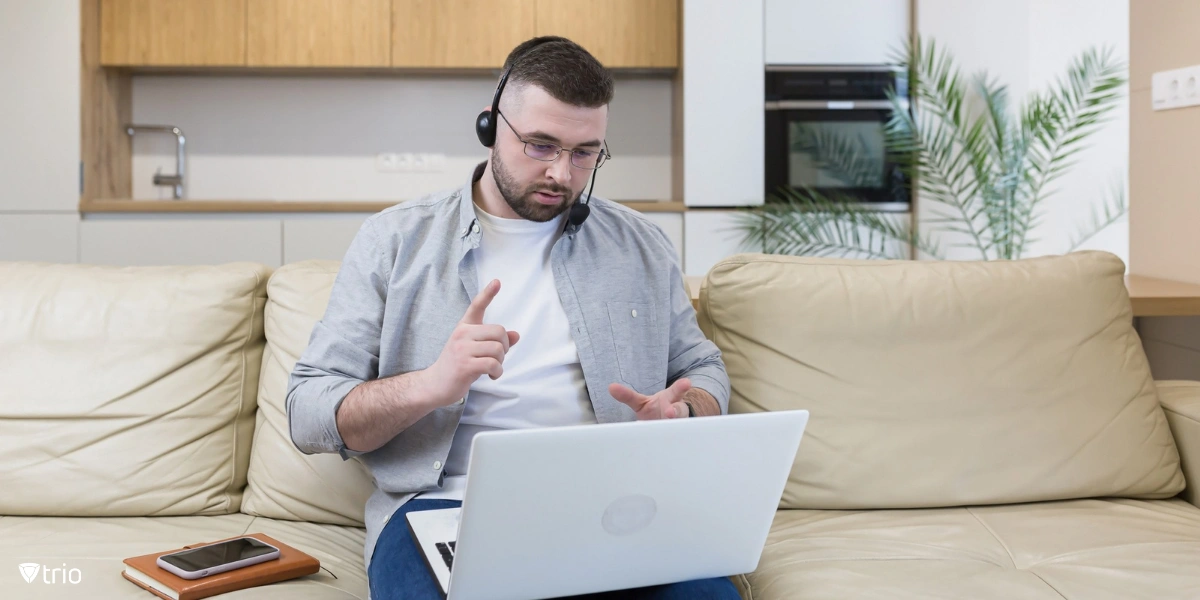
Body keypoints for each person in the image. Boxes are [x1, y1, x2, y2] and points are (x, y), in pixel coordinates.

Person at [286, 36, 736, 600]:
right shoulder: (396, 240)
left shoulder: (640, 244)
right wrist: (429, 385)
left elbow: (703, 366)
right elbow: (308, 412)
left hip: (609, 502)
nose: (561, 174)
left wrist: (687, 410)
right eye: (541, 145)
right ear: (490, 124)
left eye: (584, 153)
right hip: (445, 510)